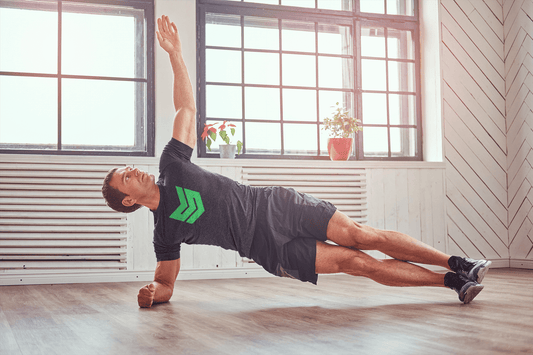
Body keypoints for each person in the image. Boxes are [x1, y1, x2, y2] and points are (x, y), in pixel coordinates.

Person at [102, 15, 491, 308]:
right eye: (125, 178)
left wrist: (176, 54)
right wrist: (153, 293)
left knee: (362, 236)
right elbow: (167, 283)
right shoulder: (164, 232)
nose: (133, 170)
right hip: (268, 248)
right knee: (358, 264)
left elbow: (186, 106)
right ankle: (451, 282)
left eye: (127, 168)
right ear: (129, 201)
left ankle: (460, 262)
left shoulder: (171, 163)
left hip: (275, 205)